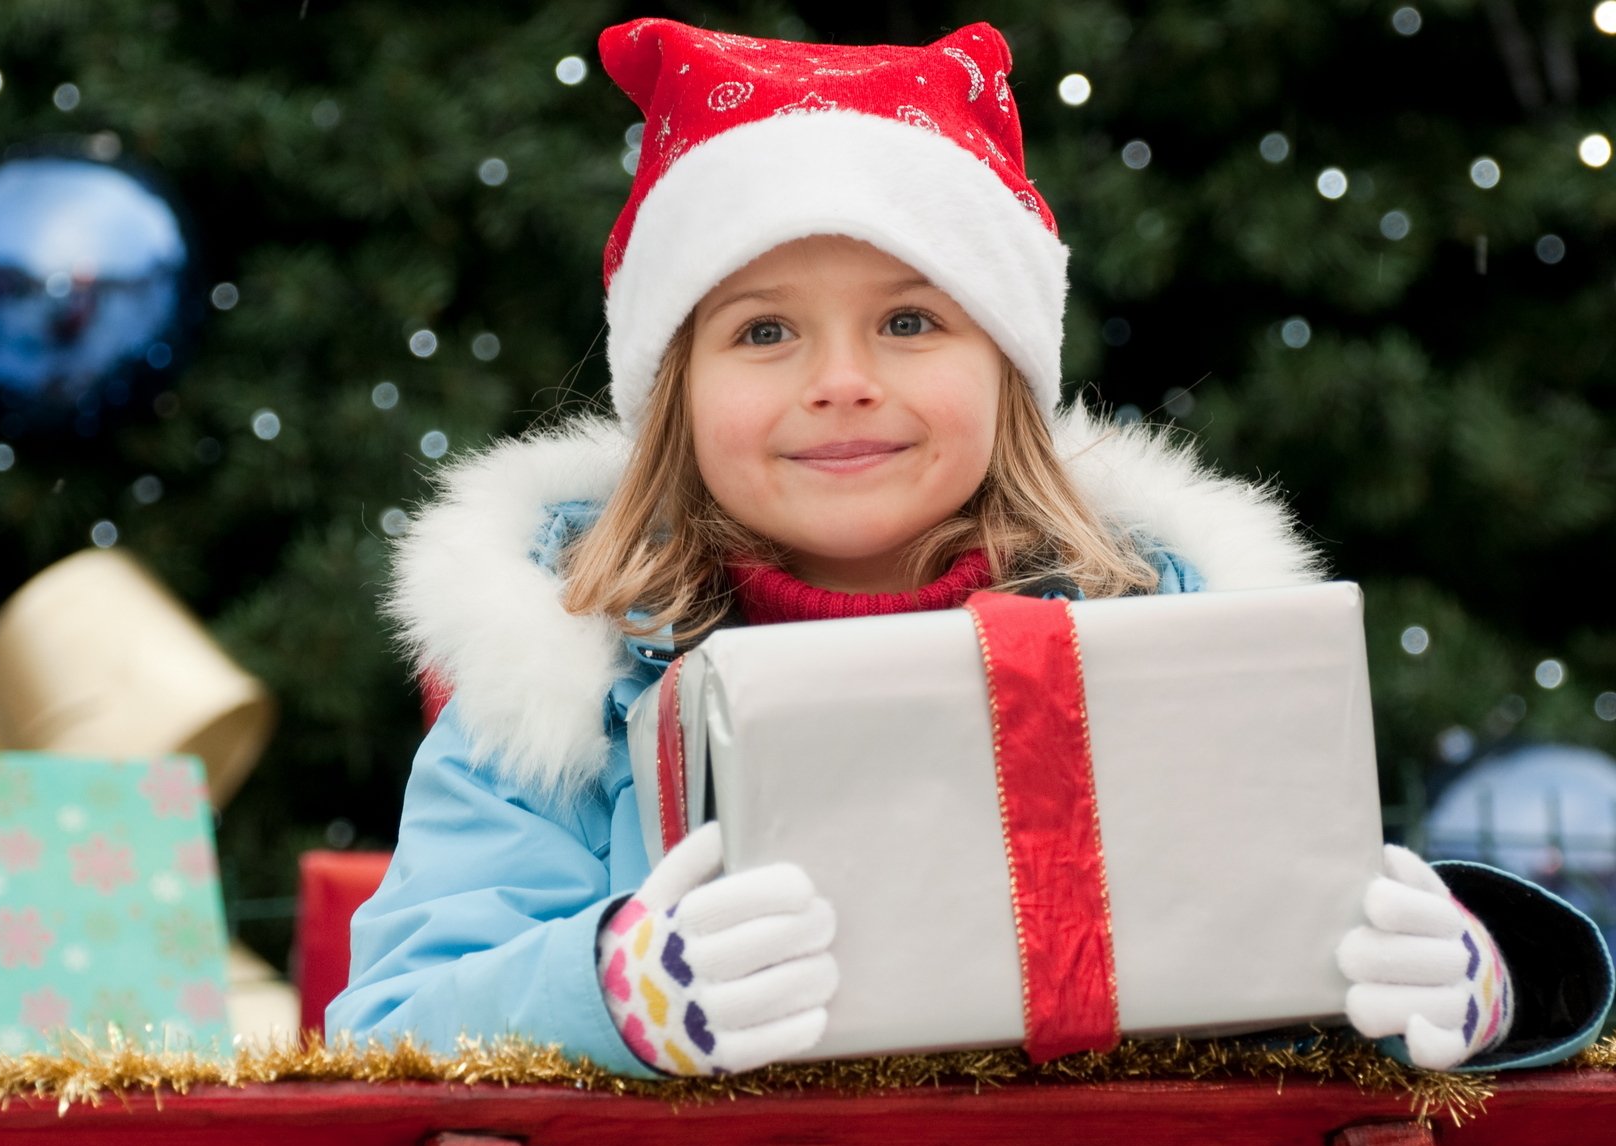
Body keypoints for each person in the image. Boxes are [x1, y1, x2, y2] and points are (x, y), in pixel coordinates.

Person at [328, 17, 1611, 1078]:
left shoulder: (1167, 645)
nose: (840, 381)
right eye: (765, 333)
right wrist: (609, 991)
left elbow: (1293, 961)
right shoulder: (561, 694)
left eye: (909, 320)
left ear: (1009, 371)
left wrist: (1474, 973)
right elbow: (385, 1023)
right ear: (672, 390)